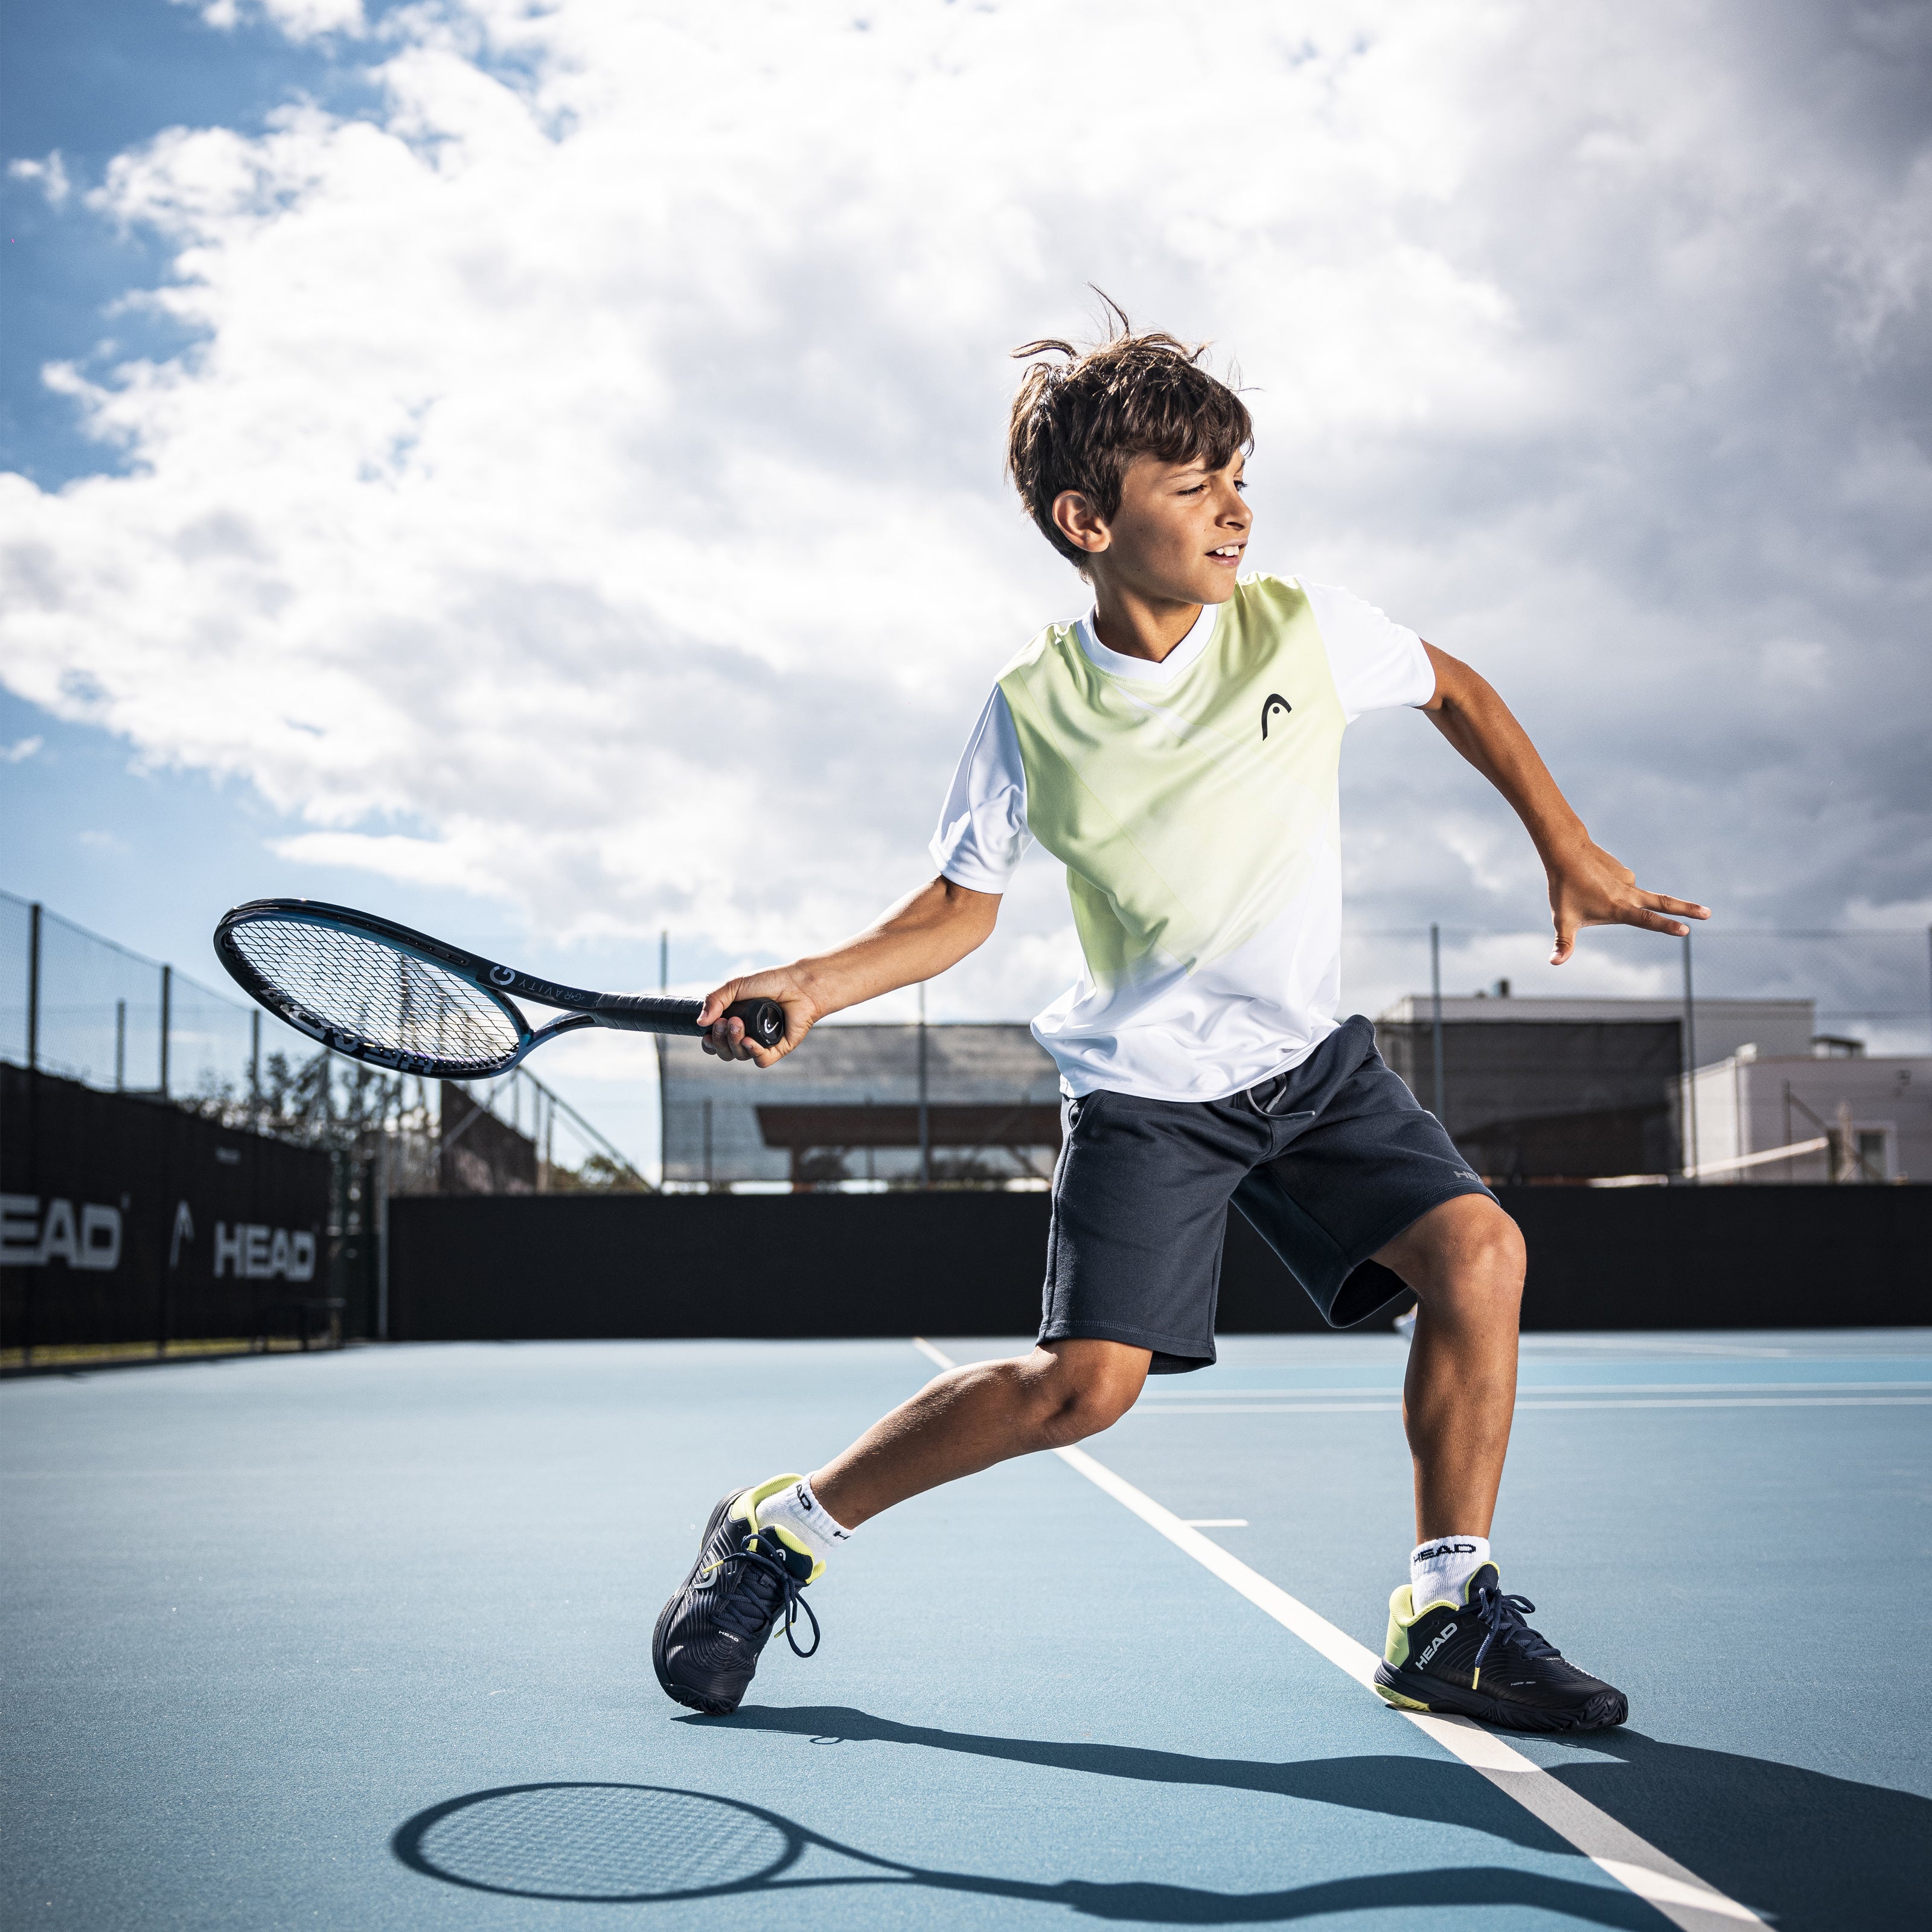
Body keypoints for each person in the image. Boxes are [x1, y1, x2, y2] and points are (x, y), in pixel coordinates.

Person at [652, 309, 1707, 1732]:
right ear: (1088, 520)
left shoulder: (1301, 628)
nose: (1236, 505)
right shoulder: (1033, 708)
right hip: (1150, 1094)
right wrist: (812, 983)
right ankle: (782, 1529)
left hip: (1315, 1070)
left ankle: (1446, 1613)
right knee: (1082, 1393)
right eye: (1193, 481)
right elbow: (955, 912)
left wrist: (1563, 844)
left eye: (1237, 471)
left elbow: (1454, 685)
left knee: (1478, 1250)